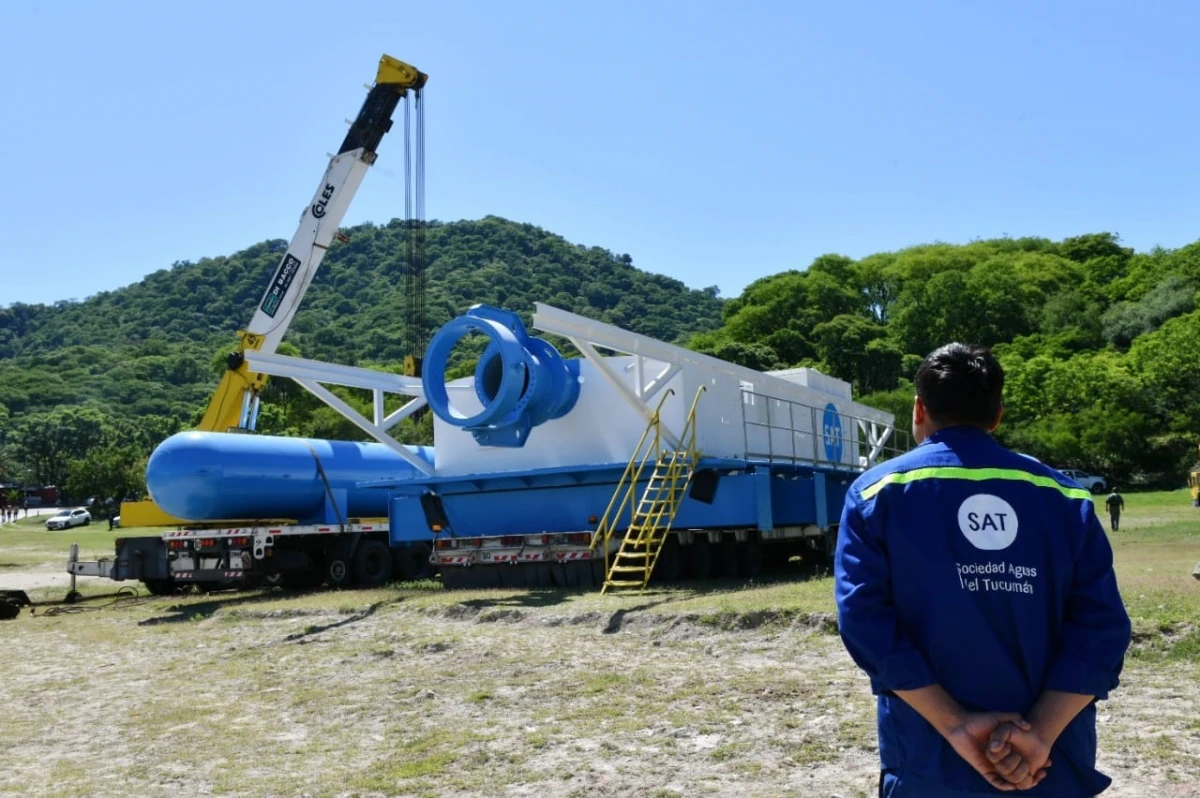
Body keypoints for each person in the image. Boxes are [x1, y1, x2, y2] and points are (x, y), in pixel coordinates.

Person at [835, 342, 1132, 796]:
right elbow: (1102, 628)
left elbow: (865, 621)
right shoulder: (1066, 498)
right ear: (997, 415)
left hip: (929, 756)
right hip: (1050, 763)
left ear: (919, 409)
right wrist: (1041, 735)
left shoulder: (877, 493)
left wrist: (955, 726)